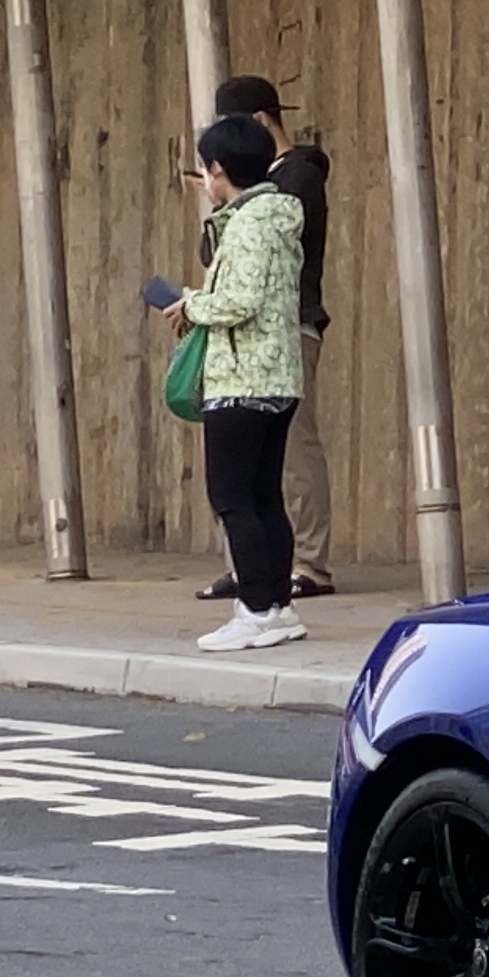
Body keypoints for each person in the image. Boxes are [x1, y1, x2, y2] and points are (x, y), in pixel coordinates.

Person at [151, 115, 309, 653]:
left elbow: (239, 302)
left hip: (240, 379)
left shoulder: (247, 224)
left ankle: (256, 609)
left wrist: (191, 302)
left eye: (206, 169)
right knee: (265, 496)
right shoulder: (279, 215)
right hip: (278, 376)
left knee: (232, 496)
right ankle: (279, 607)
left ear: (219, 170)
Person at [195, 75, 333, 601]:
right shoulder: (257, 203)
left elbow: (239, 293)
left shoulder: (289, 185)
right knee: (256, 483)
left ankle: (306, 567)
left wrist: (193, 305)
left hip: (276, 339)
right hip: (255, 348)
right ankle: (260, 579)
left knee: (281, 465)